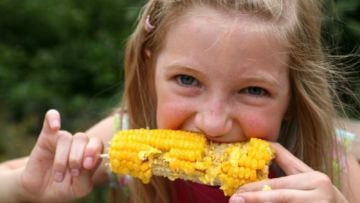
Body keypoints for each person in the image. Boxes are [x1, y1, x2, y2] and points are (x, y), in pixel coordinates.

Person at [0, 0, 359, 202]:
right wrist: (24, 190)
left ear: (294, 97)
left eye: (253, 90)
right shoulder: (124, 135)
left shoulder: (330, 167)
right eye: (187, 80)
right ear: (149, 71)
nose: (213, 122)